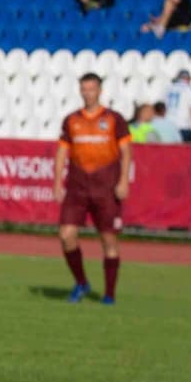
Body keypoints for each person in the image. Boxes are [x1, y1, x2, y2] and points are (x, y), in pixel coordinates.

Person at [54, 73, 132, 306]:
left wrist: (124, 180)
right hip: (78, 186)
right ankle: (81, 282)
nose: (87, 93)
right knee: (66, 235)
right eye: (84, 89)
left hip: (105, 186)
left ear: (99, 91)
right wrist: (58, 181)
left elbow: (126, 152)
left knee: (108, 239)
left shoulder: (113, 119)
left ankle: (109, 294)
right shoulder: (71, 120)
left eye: (91, 89)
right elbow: (61, 152)